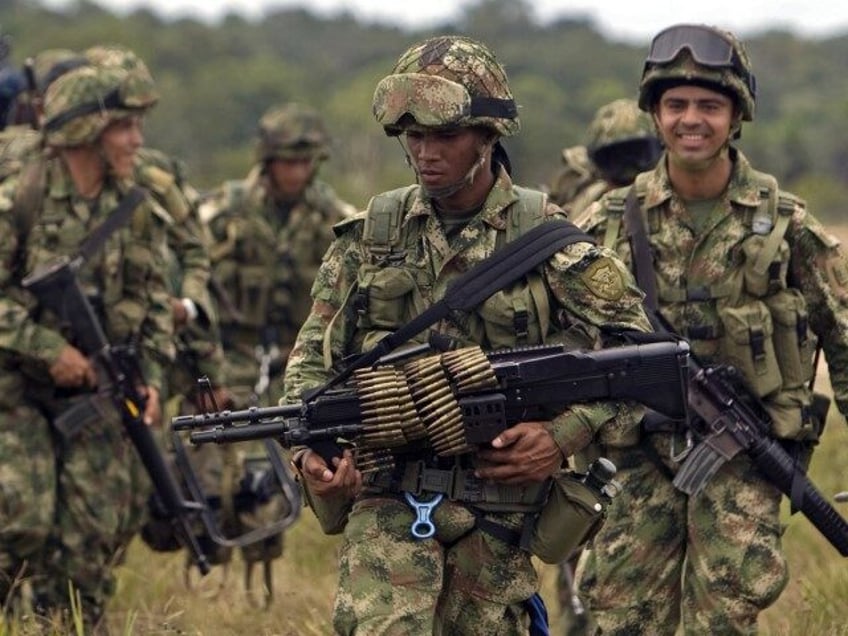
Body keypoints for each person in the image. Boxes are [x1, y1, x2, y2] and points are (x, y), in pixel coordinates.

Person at [283, 34, 653, 635]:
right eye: (414, 138)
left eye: (445, 136)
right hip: (387, 498)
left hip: (501, 513)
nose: (427, 153)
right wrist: (311, 455)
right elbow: (309, 367)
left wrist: (562, 435)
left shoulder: (546, 239)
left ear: (488, 135)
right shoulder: (371, 237)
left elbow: (641, 359)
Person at [573, 23, 848, 634]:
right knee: (623, 615)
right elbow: (560, 335)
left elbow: (844, 337)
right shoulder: (611, 222)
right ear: (655, 114)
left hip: (744, 455)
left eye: (709, 105)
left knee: (722, 613)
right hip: (635, 456)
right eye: (676, 105)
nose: (691, 120)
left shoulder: (785, 224)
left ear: (736, 115)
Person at [0, 61, 173, 629]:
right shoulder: (19, 199)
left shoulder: (139, 210)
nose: (137, 140)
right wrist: (47, 348)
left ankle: (69, 624)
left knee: (96, 528)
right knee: (21, 517)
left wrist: (149, 380)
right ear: (84, 132)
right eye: (124, 127)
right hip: (13, 387)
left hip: (98, 391)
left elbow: (152, 308)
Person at [551, 97, 662, 636]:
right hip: (591, 404)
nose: (630, 171)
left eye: (638, 156)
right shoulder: (591, 214)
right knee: (584, 540)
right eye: (621, 159)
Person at [548, 98, 662, 218]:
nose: (629, 170)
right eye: (615, 157)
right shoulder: (585, 209)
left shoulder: (675, 200)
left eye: (638, 154)